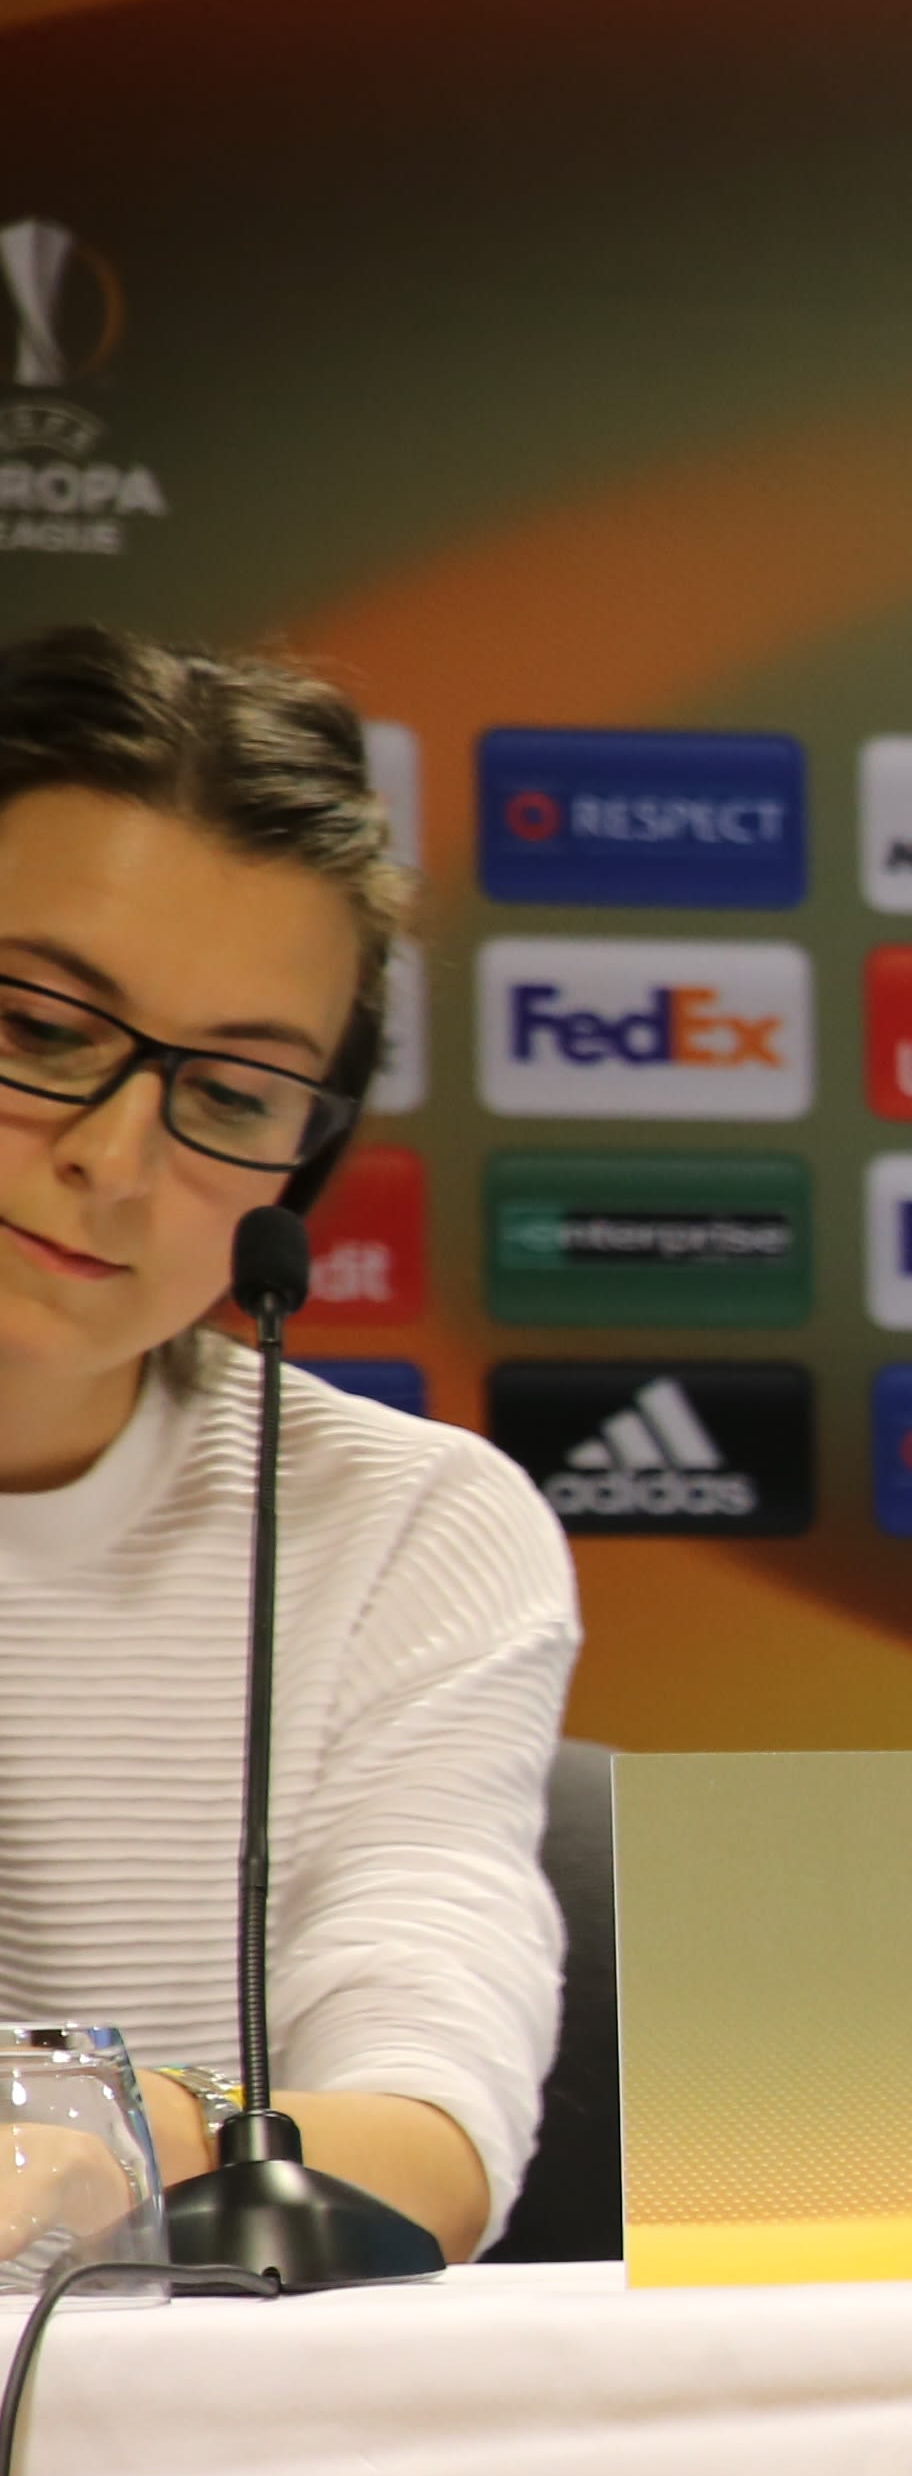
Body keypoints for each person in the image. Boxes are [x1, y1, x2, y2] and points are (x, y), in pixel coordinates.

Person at [0, 626, 570, 2260]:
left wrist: (103, 2139)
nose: (117, 1157)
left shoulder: (406, 1524)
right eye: (39, 1028)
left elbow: (431, 2135)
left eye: (235, 1096)